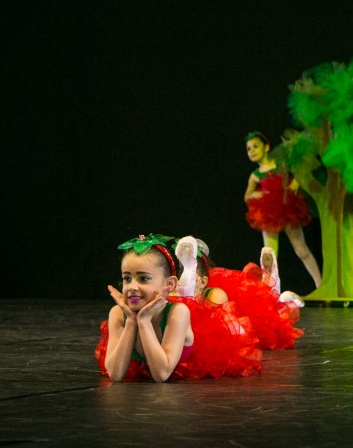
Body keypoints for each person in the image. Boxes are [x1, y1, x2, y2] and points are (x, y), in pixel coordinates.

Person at [95, 234, 261, 382]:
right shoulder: (118, 313)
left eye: (144, 278)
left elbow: (161, 374)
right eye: (127, 278)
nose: (132, 286)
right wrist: (132, 320)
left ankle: (190, 277)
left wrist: (144, 321)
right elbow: (115, 374)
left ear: (169, 283)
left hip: (197, 357)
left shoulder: (178, 312)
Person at [175, 237, 303, 350]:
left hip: (240, 330)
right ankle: (278, 296)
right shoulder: (175, 293)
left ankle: (275, 288)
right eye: (181, 274)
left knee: (270, 322)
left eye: (187, 275)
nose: (181, 280)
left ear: (203, 282)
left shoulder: (215, 294)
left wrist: (194, 298)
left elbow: (216, 328)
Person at [243, 131, 323, 292]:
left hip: (288, 209)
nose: (252, 151)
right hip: (268, 214)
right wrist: (255, 194)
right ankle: (269, 291)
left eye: (255, 146)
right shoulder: (255, 175)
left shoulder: (280, 164)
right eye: (249, 149)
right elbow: (247, 196)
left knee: (301, 249)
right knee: (269, 254)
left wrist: (296, 182)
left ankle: (320, 285)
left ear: (266, 147)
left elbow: (300, 172)